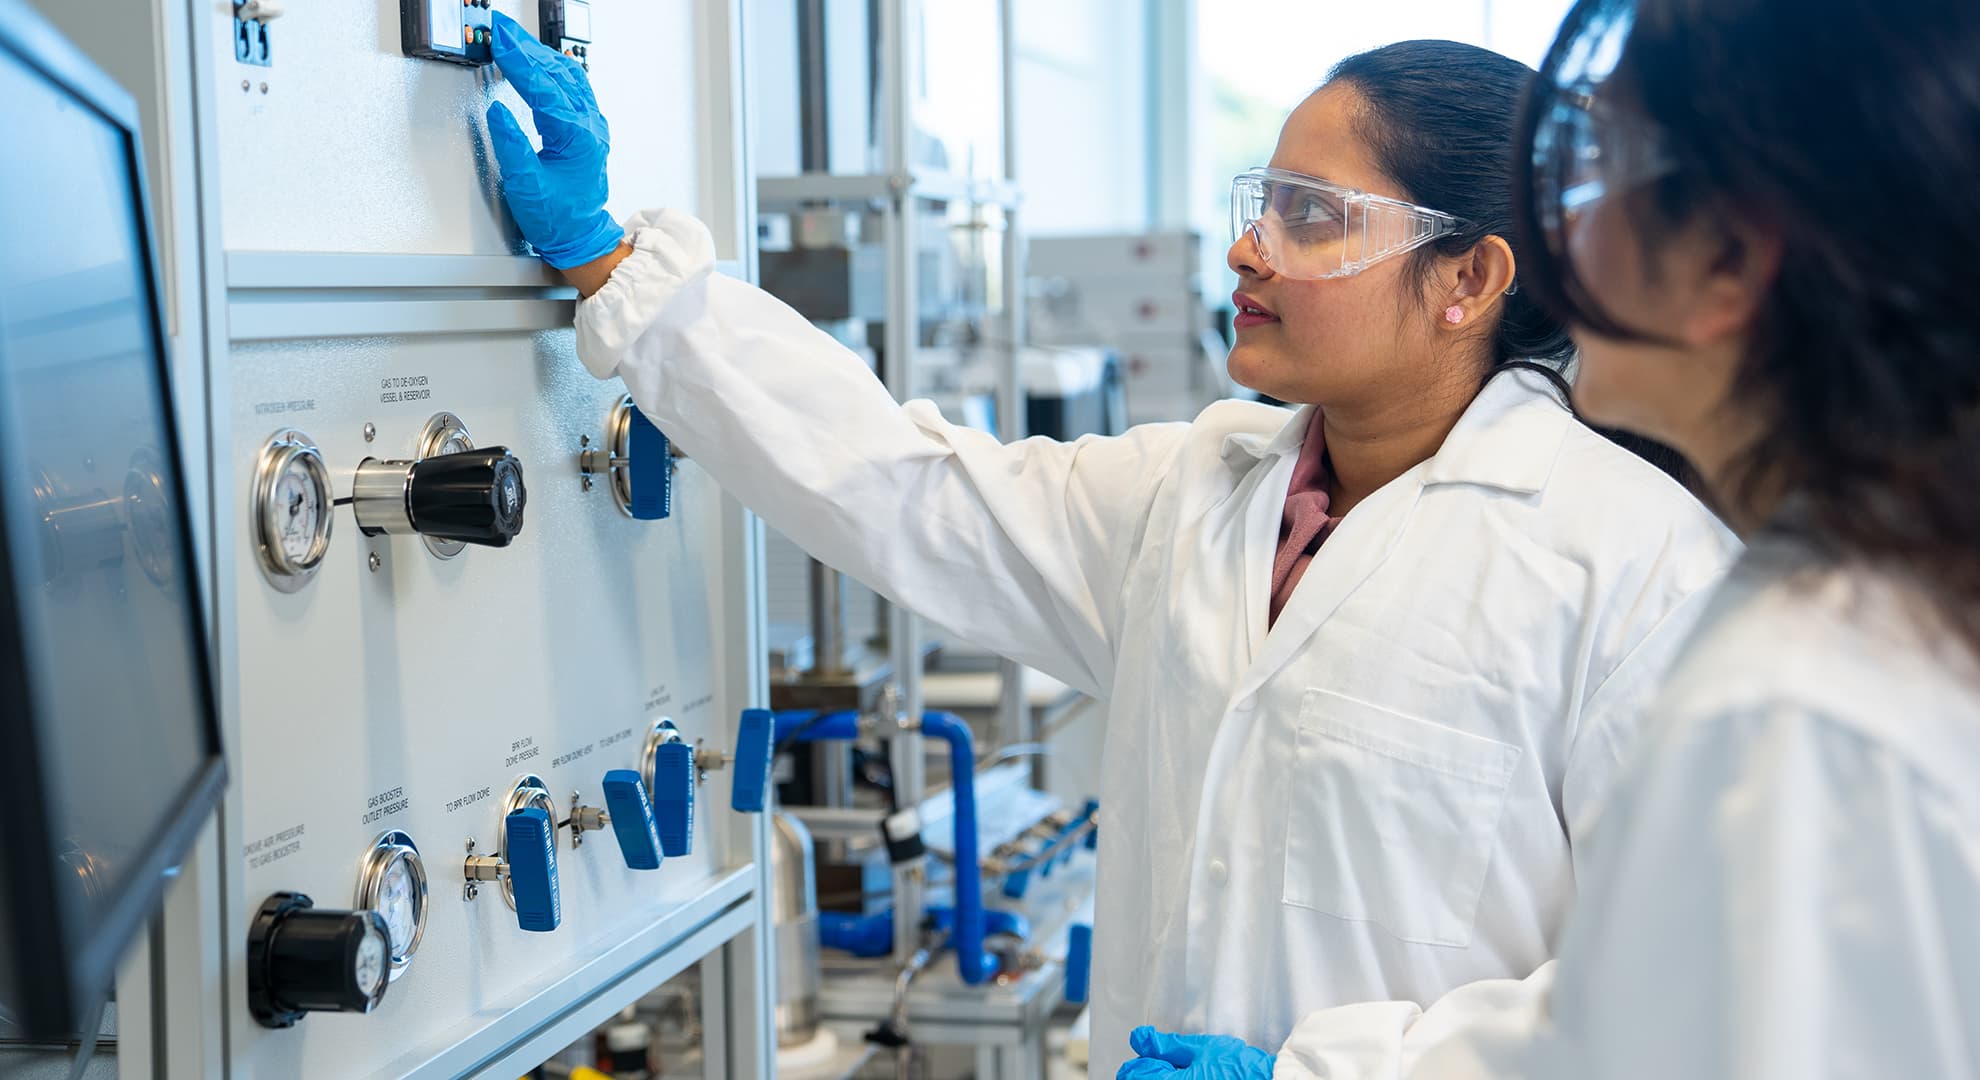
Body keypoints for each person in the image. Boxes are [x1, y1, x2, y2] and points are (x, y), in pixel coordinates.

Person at [476, 15, 1737, 1077]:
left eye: (1311, 216)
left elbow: (1691, 990)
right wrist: (619, 273)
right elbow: (899, 483)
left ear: (1467, 280)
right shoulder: (1196, 494)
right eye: (1260, 203)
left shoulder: (1634, 572)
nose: (1249, 247)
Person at [1121, 0, 1980, 1077]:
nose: (1556, 235)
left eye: (1602, 182)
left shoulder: (1809, 696)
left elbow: (1681, 1045)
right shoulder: (1852, 610)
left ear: (1731, 258)